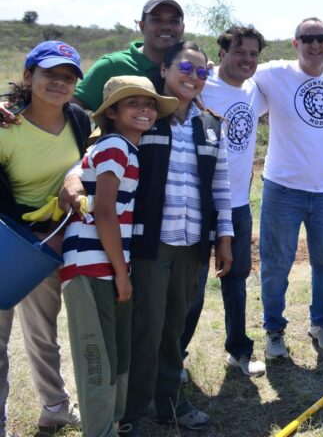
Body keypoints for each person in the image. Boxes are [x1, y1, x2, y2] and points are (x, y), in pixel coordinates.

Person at [113, 41, 233, 434]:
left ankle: (170, 403)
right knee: (146, 324)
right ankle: (129, 410)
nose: (193, 78)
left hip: (192, 244)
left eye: (201, 72)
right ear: (164, 69)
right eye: (185, 67)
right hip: (150, 244)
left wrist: (225, 238)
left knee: (174, 324)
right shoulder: (145, 119)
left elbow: (221, 186)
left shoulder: (212, 126)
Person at [61, 76, 177, 437]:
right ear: (111, 112)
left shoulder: (122, 148)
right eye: (133, 103)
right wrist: (122, 273)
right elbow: (106, 212)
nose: (145, 109)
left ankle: (113, 423)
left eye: (150, 104)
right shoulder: (115, 147)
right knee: (97, 358)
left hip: (108, 265)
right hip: (91, 266)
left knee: (116, 355)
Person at [0, 41, 87, 434]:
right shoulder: (6, 125)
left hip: (50, 245)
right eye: (50, 73)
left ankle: (55, 407)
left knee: (42, 335)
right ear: (28, 76)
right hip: (7, 243)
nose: (59, 82)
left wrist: (74, 177)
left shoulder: (79, 122)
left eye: (68, 77)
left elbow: (89, 159)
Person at [254, 17, 323, 358]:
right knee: (276, 263)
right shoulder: (273, 73)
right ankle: (274, 331)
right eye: (307, 38)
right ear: (295, 43)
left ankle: (321, 324)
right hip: (282, 188)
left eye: (321, 38)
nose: (315, 44)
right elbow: (234, 75)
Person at [180, 25, 269, 378]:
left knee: (237, 278)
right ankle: (175, 356)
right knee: (193, 285)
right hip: (199, 204)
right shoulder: (201, 85)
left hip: (238, 203)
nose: (247, 60)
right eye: (240, 52)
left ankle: (239, 350)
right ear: (222, 53)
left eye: (253, 54)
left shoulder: (255, 90)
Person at [72, 0, 185, 110]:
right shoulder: (112, 66)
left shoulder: (192, 71)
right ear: (142, 26)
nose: (166, 26)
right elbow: (72, 110)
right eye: (156, 20)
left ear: (183, 28)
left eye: (174, 21)